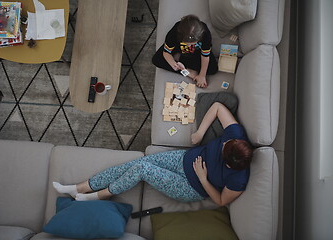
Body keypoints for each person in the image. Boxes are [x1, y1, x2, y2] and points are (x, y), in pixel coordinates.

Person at [53, 102, 253, 206]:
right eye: (225, 143)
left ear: (228, 165)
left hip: (190, 187)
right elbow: (217, 107)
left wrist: (203, 178)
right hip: (182, 160)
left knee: (142, 169)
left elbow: (220, 201)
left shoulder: (238, 179)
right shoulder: (236, 136)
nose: (223, 144)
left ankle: (99, 195)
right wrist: (200, 132)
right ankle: (80, 187)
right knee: (134, 165)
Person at [152, 15, 218, 88]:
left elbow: (205, 56)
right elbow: (166, 52)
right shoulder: (173, 33)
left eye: (192, 44)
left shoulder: (205, 33)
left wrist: (202, 76)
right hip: (179, 49)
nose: (189, 46)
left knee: (213, 69)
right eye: (187, 44)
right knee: (156, 60)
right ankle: (188, 70)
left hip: (196, 52)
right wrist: (175, 65)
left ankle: (186, 66)